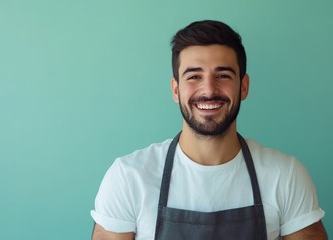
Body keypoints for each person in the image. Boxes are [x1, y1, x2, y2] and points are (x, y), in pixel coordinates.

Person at [90, 20, 327, 240]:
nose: (209, 89)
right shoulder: (128, 178)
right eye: (194, 76)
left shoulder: (285, 176)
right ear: (176, 89)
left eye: (223, 75)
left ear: (243, 87)